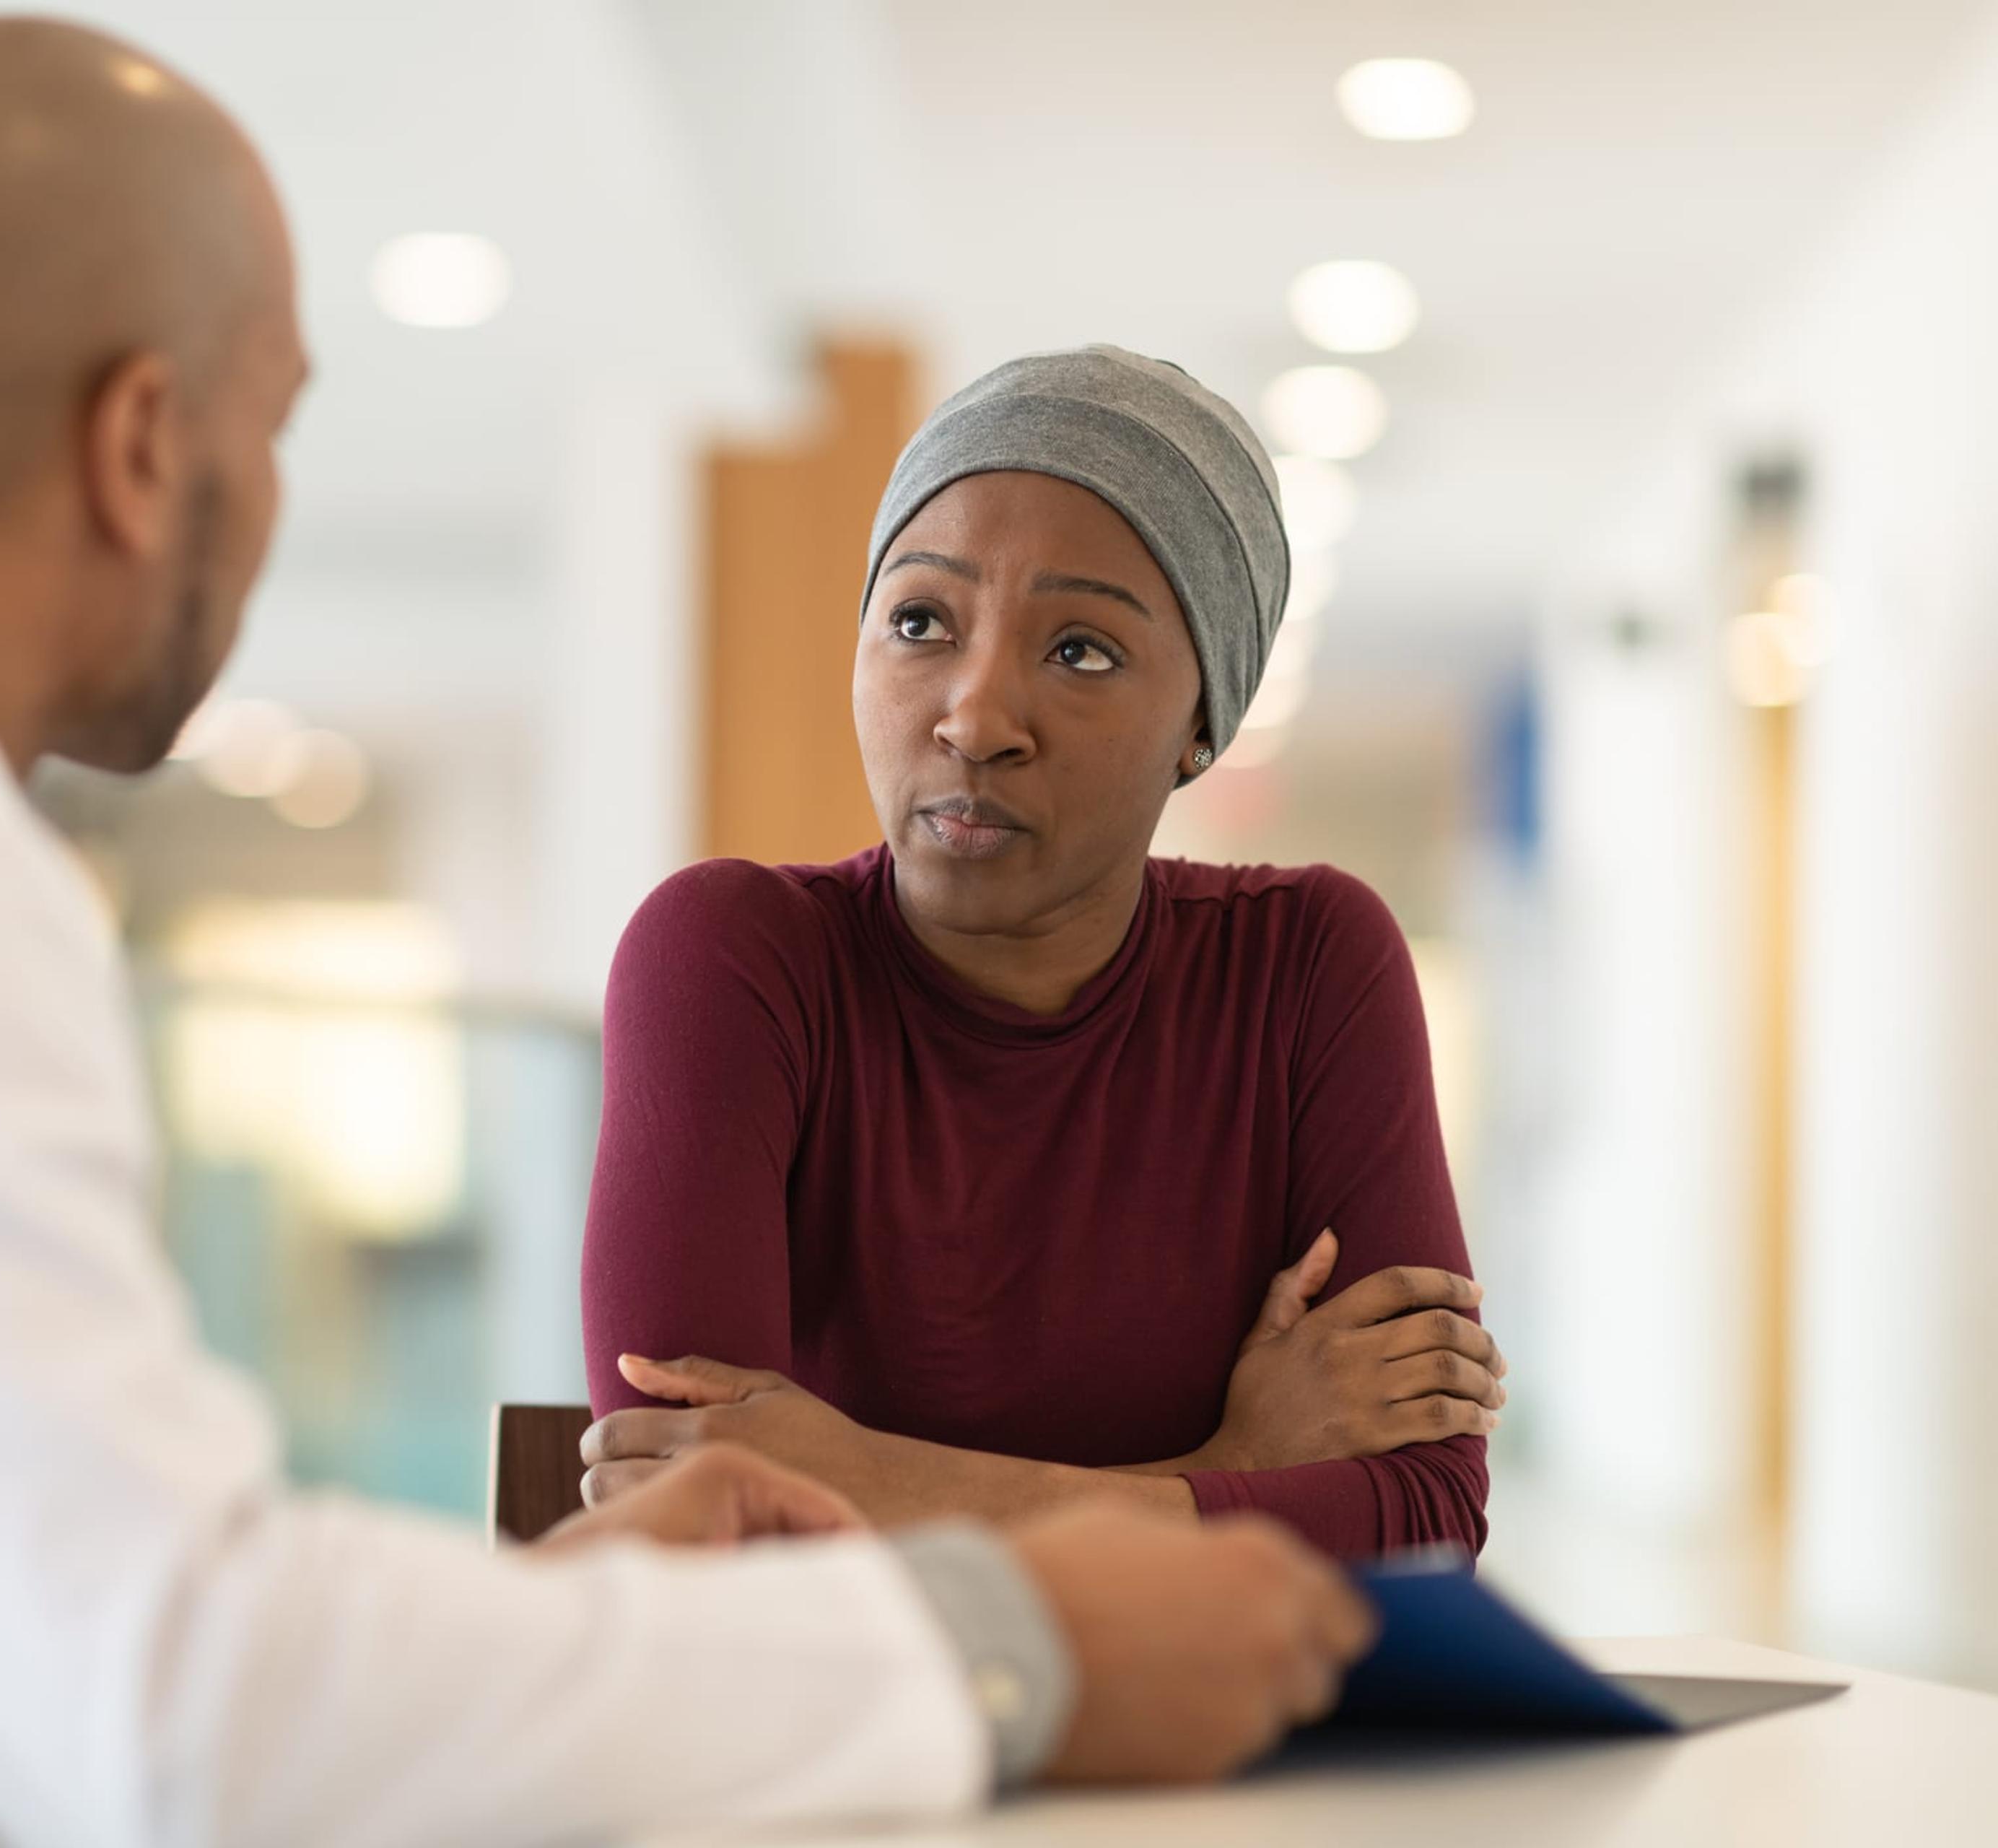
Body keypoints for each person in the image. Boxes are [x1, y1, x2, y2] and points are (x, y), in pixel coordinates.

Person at [0, 19, 1374, 1848]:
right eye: (271, 426)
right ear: (147, 445)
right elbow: (199, 1721)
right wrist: (1015, 1647)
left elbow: (78, 1616)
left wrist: (575, 1623)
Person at [580, 348, 1499, 1560]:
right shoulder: (733, 960)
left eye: (1081, 651)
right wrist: (1237, 1469)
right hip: (848, 1744)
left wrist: (865, 1480)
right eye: (920, 621)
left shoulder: (1308, 968)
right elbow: (698, 1527)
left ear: (1201, 730)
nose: (973, 717)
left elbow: (1425, 1523)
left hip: (1224, 1748)